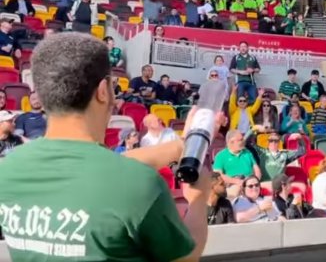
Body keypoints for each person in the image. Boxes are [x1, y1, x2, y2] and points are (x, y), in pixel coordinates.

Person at [0, 33, 214, 261]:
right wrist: (199, 199)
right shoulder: (138, 183)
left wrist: (185, 143)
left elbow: (102, 169)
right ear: (103, 90)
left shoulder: (9, 168)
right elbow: (186, 257)